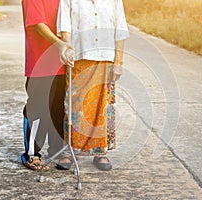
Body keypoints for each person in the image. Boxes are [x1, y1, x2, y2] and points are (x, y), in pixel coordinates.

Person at [56, 0, 129, 171]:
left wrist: (119, 61)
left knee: (103, 106)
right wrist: (67, 48)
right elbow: (65, 26)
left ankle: (100, 152)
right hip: (79, 56)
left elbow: (120, 30)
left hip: (105, 57)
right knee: (74, 105)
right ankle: (69, 151)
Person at [20, 0, 74, 171]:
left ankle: (56, 150)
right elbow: (37, 23)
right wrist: (60, 44)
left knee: (58, 110)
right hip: (40, 62)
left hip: (62, 63)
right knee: (37, 108)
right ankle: (31, 153)